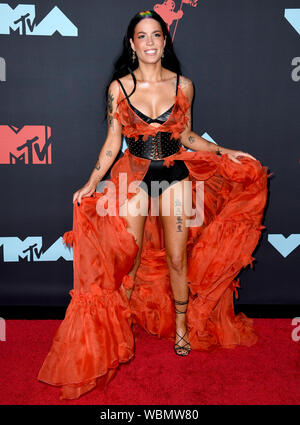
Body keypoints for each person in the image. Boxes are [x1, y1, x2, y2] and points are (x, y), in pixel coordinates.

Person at [37, 10, 270, 400]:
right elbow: (114, 142)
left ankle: (181, 328)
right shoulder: (119, 89)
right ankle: (120, 329)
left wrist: (227, 151)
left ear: (165, 41)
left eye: (156, 35)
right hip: (135, 176)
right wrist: (92, 181)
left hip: (174, 176)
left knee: (177, 259)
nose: (149, 42)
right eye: (141, 36)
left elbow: (189, 136)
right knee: (130, 256)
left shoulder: (184, 85)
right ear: (132, 44)